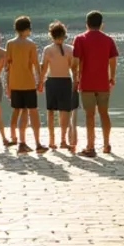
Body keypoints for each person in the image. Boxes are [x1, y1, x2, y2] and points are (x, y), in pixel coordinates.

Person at [70, 10, 118, 157]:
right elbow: (113, 60)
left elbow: (75, 62)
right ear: (101, 24)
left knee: (89, 115)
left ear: (87, 23)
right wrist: (112, 77)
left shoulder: (80, 39)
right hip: (103, 82)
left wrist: (76, 78)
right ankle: (106, 144)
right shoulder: (108, 40)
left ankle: (90, 146)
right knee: (104, 113)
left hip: (87, 83)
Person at [5, 16, 46, 153]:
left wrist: (7, 85)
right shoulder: (31, 44)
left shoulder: (10, 44)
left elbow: (7, 66)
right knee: (33, 112)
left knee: (22, 111)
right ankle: (38, 143)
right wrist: (40, 81)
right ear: (27, 29)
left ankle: (22, 143)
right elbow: (36, 64)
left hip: (15, 83)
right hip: (28, 82)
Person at [41, 21, 78, 152]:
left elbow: (44, 68)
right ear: (64, 34)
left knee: (50, 111)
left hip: (52, 81)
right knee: (65, 111)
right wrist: (76, 82)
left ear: (51, 35)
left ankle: (52, 140)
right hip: (65, 82)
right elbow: (73, 68)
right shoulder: (70, 49)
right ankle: (62, 140)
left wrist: (40, 82)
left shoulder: (47, 49)